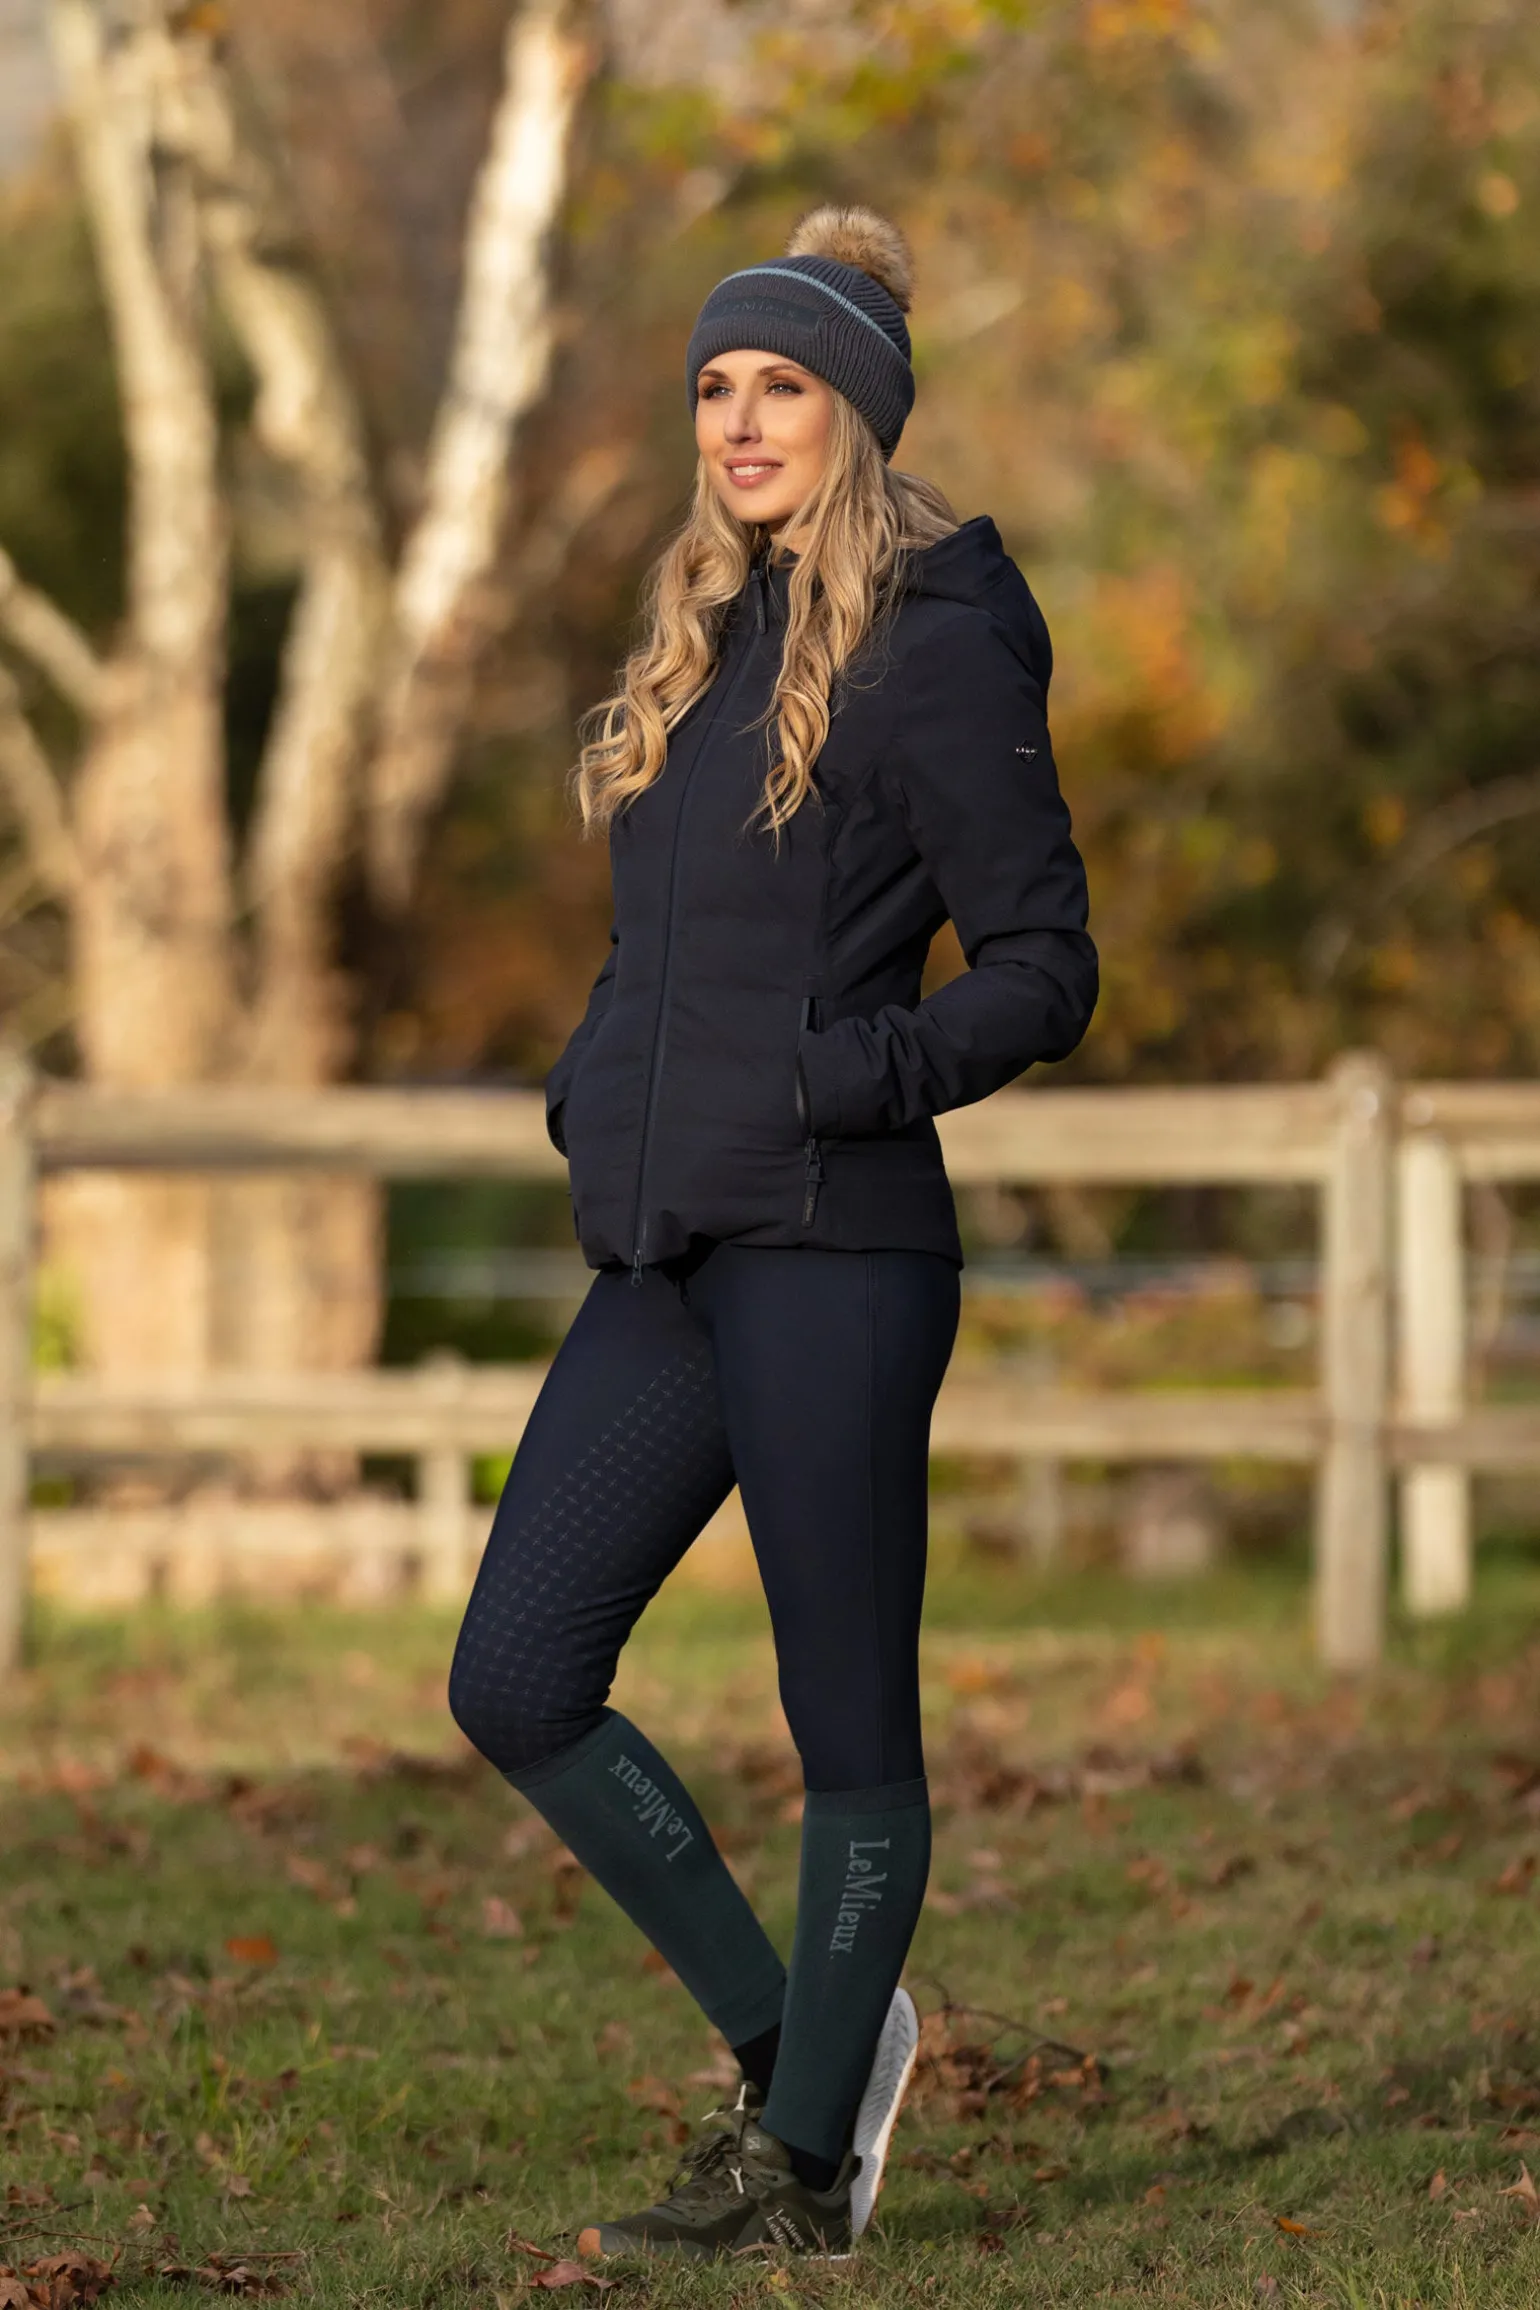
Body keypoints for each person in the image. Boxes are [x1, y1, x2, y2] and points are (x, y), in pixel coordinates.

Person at [448, 204, 1097, 2260]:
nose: (738, 421)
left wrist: (844, 1076)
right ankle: (802, 2042)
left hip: (836, 1246)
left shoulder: (937, 643)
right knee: (516, 1675)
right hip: (667, 1254)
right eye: (716, 386)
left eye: (782, 387)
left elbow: (1044, 967)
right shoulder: (703, 642)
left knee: (846, 1726)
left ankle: (804, 2169)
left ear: (858, 415)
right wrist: (594, 1080)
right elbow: (660, 952)